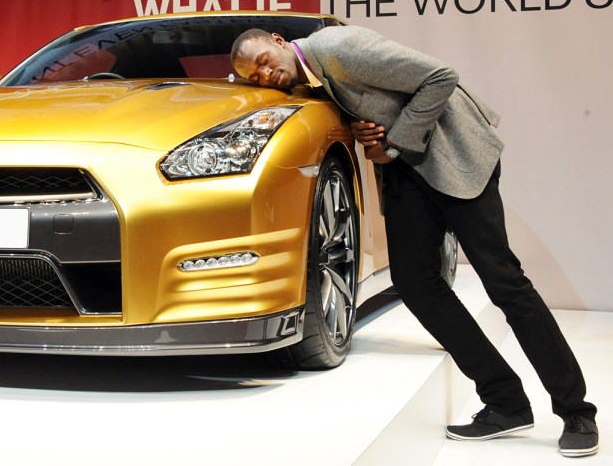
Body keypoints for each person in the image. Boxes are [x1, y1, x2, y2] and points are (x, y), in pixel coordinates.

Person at [230, 25, 599, 458]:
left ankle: (576, 410)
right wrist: (366, 134)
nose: (264, 74)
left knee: (505, 283)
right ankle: (505, 403)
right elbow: (374, 105)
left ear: (277, 41)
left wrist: (393, 142)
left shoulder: (336, 47)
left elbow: (439, 76)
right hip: (409, 170)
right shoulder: (311, 83)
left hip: (455, 159)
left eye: (263, 62)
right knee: (416, 282)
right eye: (252, 76)